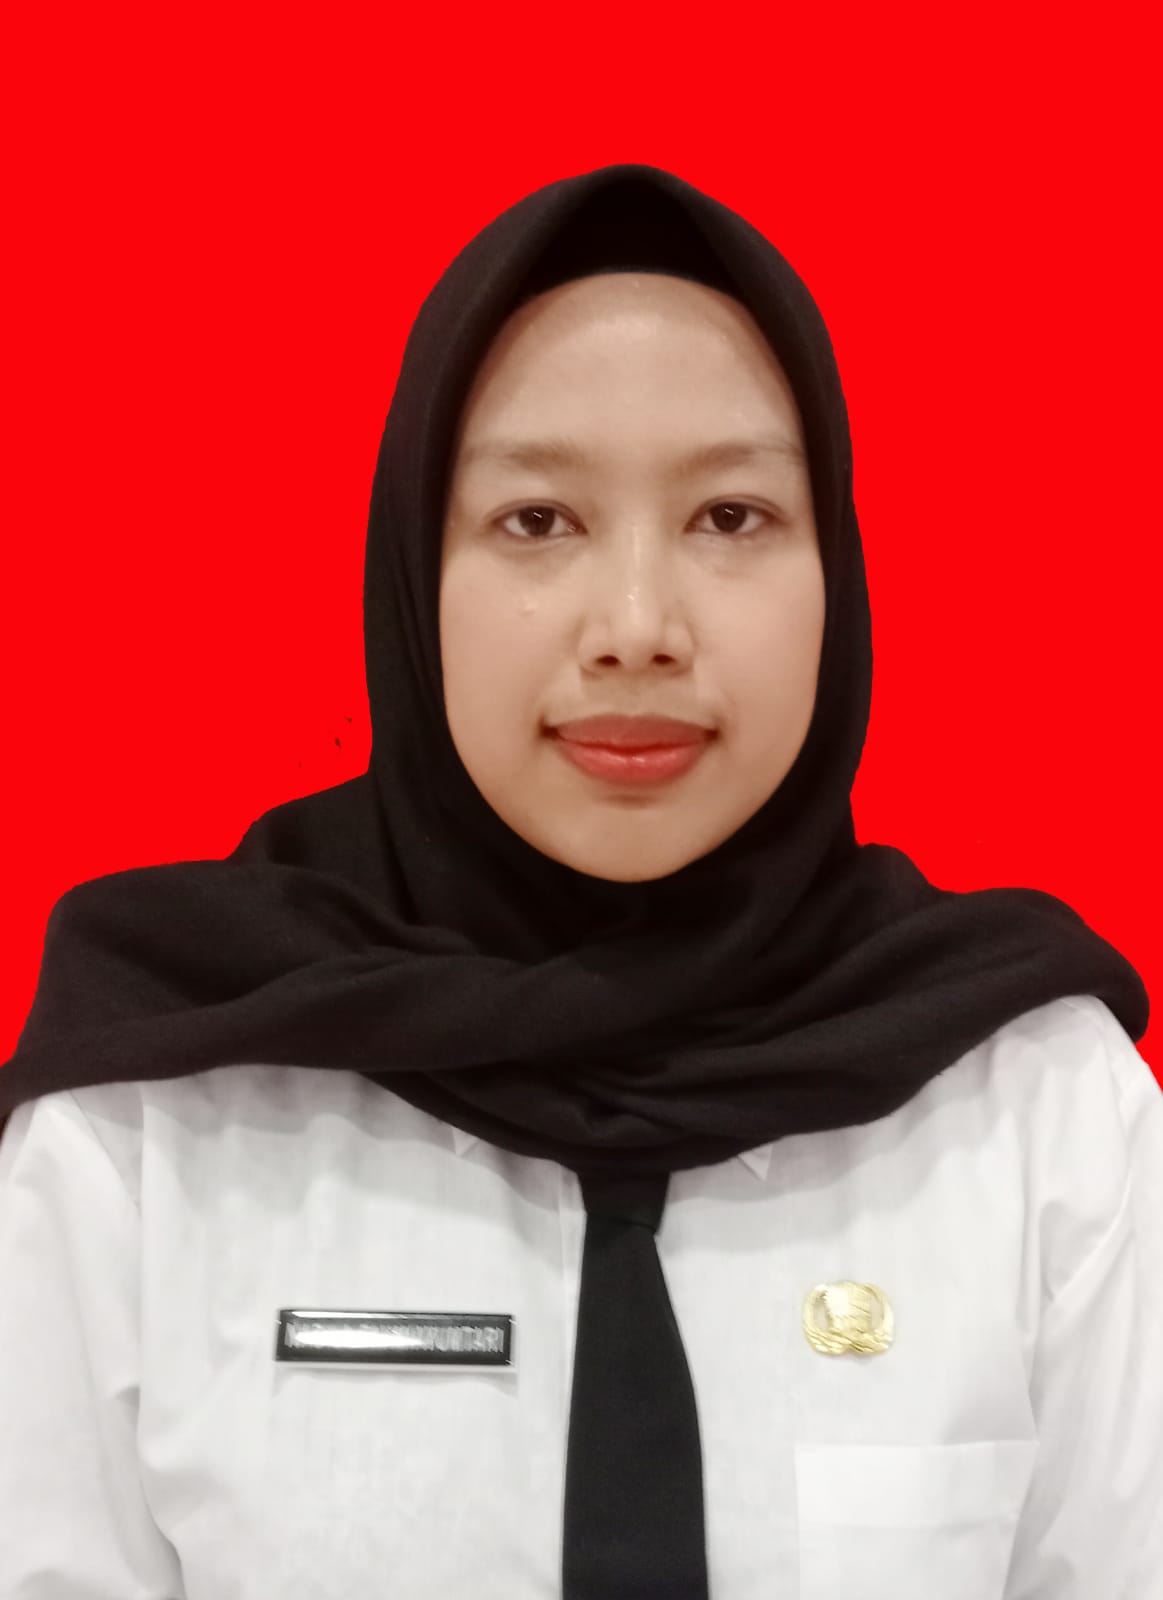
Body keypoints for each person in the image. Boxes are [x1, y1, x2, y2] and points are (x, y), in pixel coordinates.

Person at [0, 162, 1159, 1600]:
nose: (637, 625)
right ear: (413, 577)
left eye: (730, 517)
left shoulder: (1039, 1115)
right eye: (537, 521)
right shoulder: (153, 1121)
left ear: (838, 572)